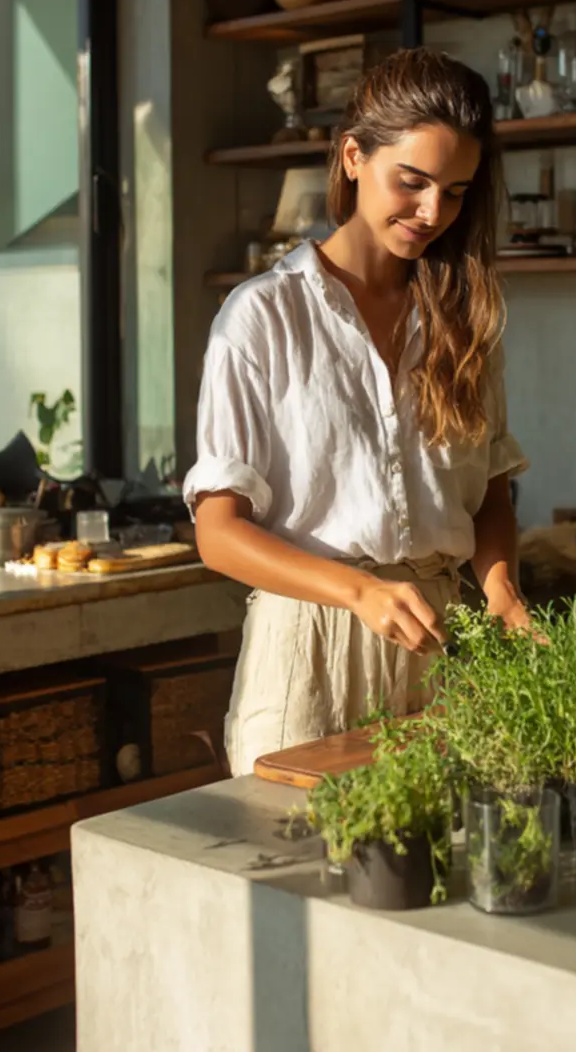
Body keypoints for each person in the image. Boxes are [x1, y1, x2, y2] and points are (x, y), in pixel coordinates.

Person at [184, 47, 529, 776]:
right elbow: (217, 534)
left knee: (444, 874)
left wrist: (501, 591)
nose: (434, 212)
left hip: (440, 646)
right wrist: (359, 591)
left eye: (458, 191)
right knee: (301, 878)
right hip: (310, 650)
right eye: (413, 181)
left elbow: (491, 491)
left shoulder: (463, 321)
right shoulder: (261, 318)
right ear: (351, 156)